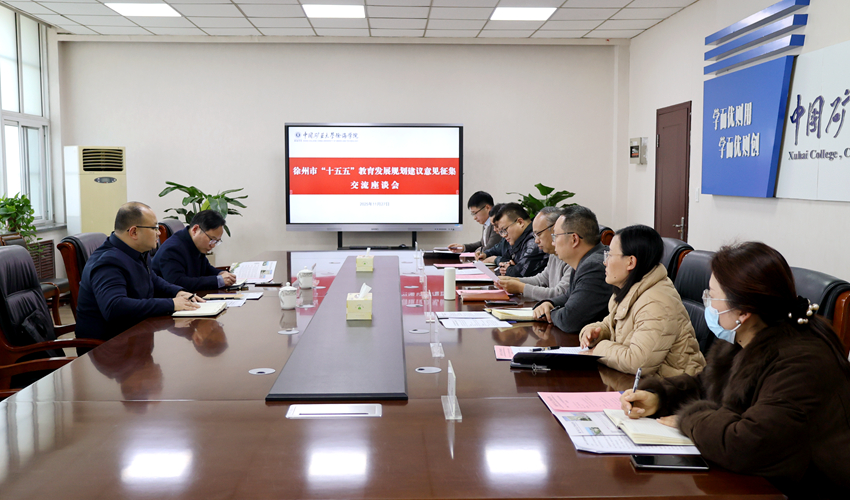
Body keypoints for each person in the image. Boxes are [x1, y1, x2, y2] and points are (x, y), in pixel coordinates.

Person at [621, 242, 850, 498]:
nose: (707, 303)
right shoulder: (748, 337)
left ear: (743, 312)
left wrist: (690, 419)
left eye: (712, 296)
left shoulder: (802, 362)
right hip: (755, 482)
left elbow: (748, 445)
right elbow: (706, 385)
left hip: (801, 489)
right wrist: (660, 397)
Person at [579, 224, 705, 376]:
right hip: (646, 381)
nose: (605, 262)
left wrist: (598, 349)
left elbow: (638, 363)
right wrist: (594, 333)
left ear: (630, 262)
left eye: (610, 255)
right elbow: (611, 324)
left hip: (678, 385)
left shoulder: (656, 302)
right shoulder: (630, 288)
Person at [76, 202, 203, 342]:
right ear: (134, 232)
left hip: (136, 334)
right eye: (154, 228)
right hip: (108, 347)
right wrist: (171, 304)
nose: (159, 233)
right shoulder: (108, 262)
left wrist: (178, 292)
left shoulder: (137, 251)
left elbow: (152, 279)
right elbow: (115, 307)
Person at [532, 205, 612, 333]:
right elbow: (569, 296)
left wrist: (549, 313)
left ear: (574, 239)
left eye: (555, 236)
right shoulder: (585, 260)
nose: (553, 243)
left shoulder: (594, 267)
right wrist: (549, 303)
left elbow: (569, 321)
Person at [496, 206, 571, 300]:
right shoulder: (553, 253)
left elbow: (561, 294)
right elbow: (541, 279)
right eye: (535, 235)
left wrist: (520, 287)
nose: (536, 241)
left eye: (538, 234)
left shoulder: (572, 256)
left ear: (555, 229)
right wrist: (512, 280)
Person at [152, 210, 237, 292]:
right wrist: (217, 281)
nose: (213, 245)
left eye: (216, 241)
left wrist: (221, 273)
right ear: (195, 229)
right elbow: (177, 283)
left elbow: (206, 269)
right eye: (212, 239)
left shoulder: (195, 243)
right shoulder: (172, 249)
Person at [491, 203, 547, 278]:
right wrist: (507, 265)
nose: (504, 235)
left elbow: (519, 273)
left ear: (520, 222)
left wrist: (509, 269)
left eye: (504, 230)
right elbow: (506, 259)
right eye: (501, 232)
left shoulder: (534, 240)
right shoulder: (518, 238)